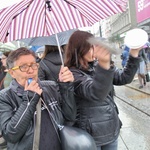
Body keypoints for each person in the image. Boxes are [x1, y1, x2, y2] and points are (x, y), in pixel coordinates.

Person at [64, 30, 142, 150]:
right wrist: (104, 65)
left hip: (111, 128)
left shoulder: (96, 65)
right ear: (80, 49)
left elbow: (123, 77)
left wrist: (134, 54)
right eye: (91, 47)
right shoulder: (72, 74)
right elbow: (95, 93)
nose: (94, 50)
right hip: (91, 135)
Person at [0, 47, 76, 150]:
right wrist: (29, 100)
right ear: (12, 73)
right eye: (23, 67)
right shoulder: (5, 97)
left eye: (33, 65)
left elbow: (70, 117)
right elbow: (11, 135)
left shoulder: (50, 87)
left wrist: (66, 87)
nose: (31, 70)